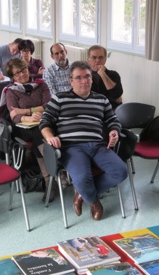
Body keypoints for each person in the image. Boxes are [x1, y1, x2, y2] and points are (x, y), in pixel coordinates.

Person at [39, 61, 128, 221]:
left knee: (120, 172)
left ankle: (82, 193)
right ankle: (94, 201)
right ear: (71, 81)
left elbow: (113, 120)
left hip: (98, 145)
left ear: (92, 79)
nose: (84, 81)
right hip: (72, 147)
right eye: (78, 78)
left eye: (87, 77)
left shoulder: (102, 100)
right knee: (82, 178)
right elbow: (45, 121)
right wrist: (50, 137)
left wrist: (114, 131)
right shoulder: (60, 98)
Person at [1, 58, 52, 202]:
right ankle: (51, 176)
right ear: (13, 77)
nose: (22, 74)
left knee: (38, 133)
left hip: (44, 121)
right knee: (37, 133)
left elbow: (48, 105)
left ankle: (50, 179)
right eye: (17, 73)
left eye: (24, 70)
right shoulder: (10, 91)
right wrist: (29, 118)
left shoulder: (41, 84)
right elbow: (13, 116)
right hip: (23, 128)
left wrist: (25, 111)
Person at [87, 45, 123, 109]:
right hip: (92, 109)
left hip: (111, 109)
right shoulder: (84, 76)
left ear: (105, 60)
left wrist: (103, 74)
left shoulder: (113, 74)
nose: (97, 60)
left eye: (101, 57)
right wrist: (112, 98)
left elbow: (117, 94)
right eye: (94, 57)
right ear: (88, 60)